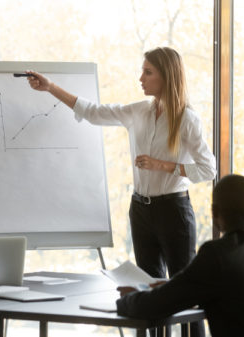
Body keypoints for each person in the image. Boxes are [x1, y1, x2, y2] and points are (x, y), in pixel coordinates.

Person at [26, 47, 216, 280]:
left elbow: (209, 169)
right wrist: (50, 87)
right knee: (148, 288)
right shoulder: (139, 111)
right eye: (142, 71)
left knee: (185, 288)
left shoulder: (187, 119)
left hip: (173, 211)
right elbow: (94, 113)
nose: (141, 79)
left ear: (166, 76)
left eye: (148, 72)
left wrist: (163, 165)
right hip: (140, 210)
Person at [116, 174, 244, 337]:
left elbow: (154, 306)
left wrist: (127, 300)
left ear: (214, 213)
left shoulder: (218, 254)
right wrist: (175, 285)